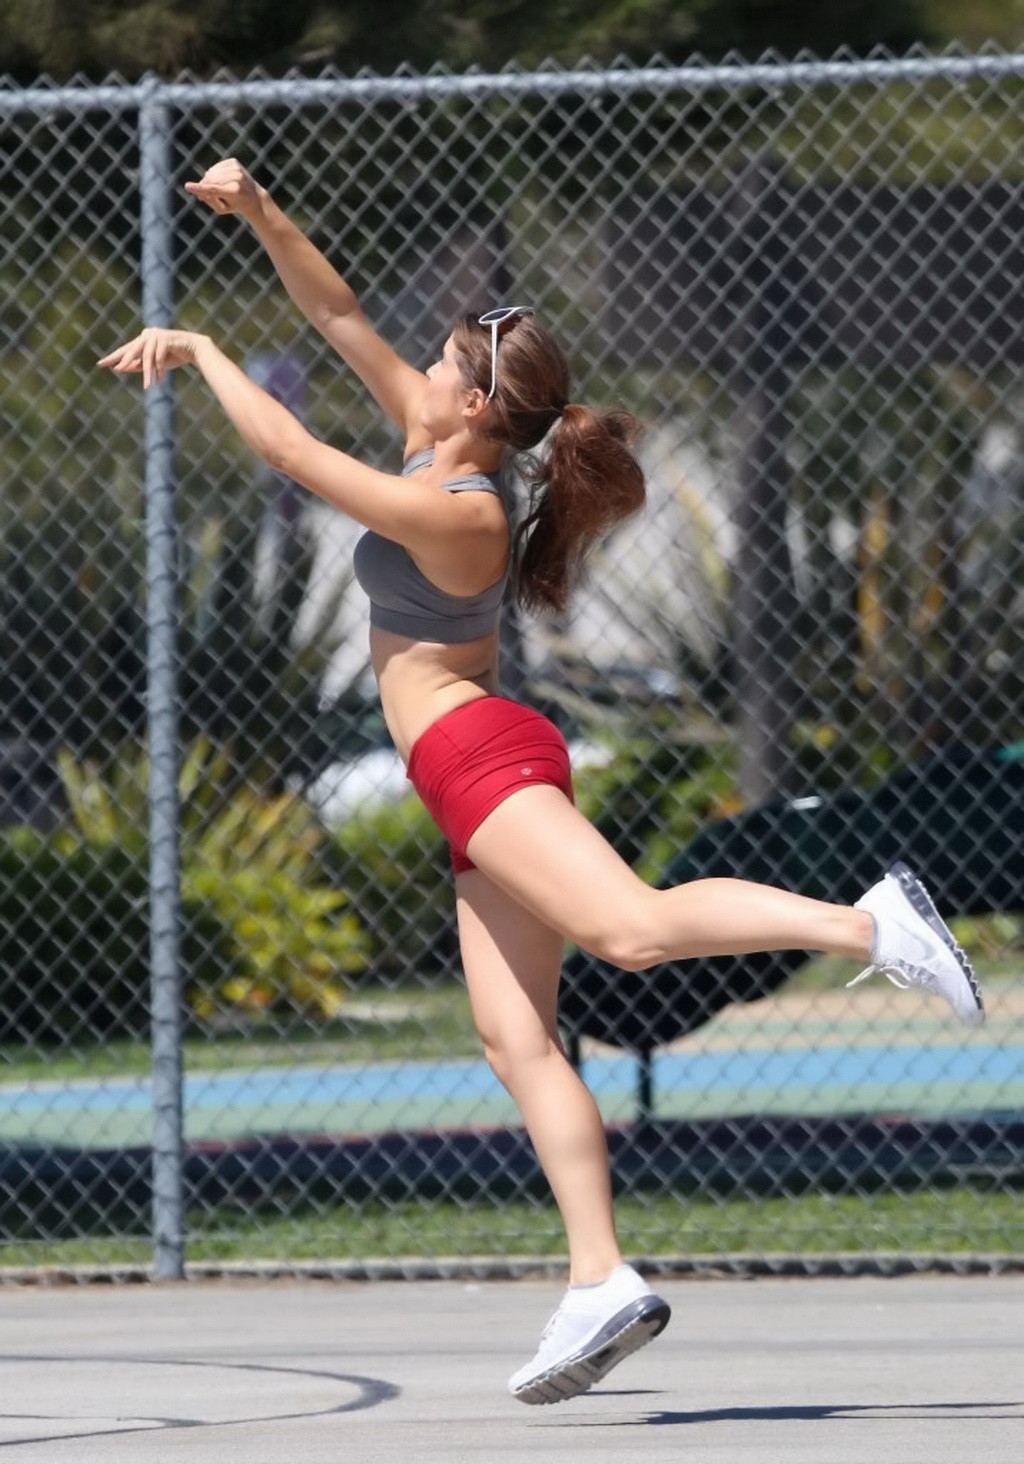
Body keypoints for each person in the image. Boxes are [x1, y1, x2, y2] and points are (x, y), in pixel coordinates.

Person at [98, 159, 984, 1407]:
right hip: (463, 768)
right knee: (515, 1039)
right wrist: (258, 216)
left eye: (450, 359)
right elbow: (337, 313)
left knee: (629, 929)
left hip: (479, 752)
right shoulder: (431, 432)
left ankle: (870, 921)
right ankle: (599, 1280)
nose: (427, 361)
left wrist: (197, 348)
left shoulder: (461, 505)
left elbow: (292, 451)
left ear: (473, 404)